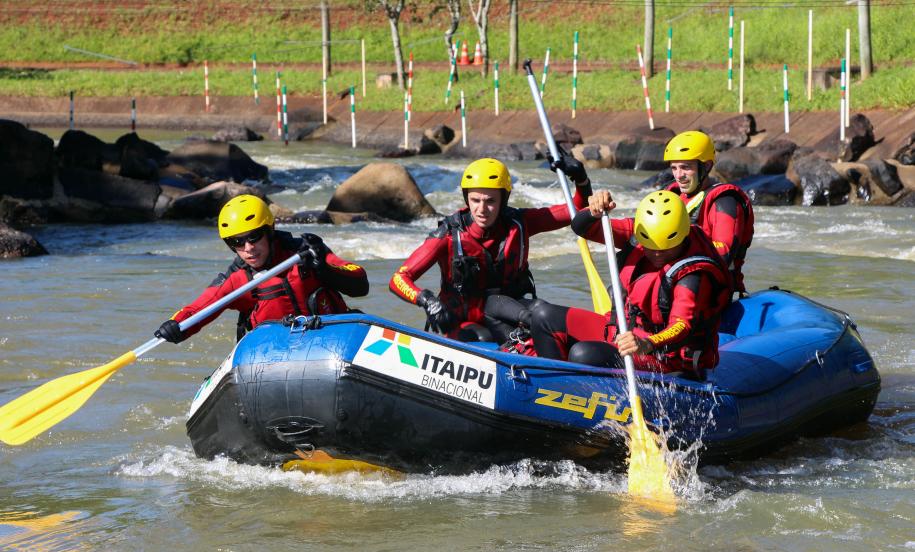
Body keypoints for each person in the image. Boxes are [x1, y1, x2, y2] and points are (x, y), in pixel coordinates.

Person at [529, 190, 732, 377]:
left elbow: (681, 325)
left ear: (683, 236)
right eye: (650, 247)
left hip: (664, 357)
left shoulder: (694, 274)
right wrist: (594, 211)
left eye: (666, 248)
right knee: (543, 316)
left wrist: (648, 343)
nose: (657, 254)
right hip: (623, 333)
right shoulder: (638, 232)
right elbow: (582, 227)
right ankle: (556, 389)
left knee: (583, 354)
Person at [389, 156, 592, 343]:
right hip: (464, 324)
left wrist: (581, 179)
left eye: (490, 201)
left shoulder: (520, 223)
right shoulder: (448, 236)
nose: (482, 209)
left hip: (509, 314)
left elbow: (575, 210)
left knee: (544, 315)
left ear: (503, 200)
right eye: (475, 200)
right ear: (466, 198)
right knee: (483, 338)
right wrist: (427, 301)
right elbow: (399, 279)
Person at [155, 194, 369, 344]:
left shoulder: (306, 252)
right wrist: (176, 326)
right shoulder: (237, 279)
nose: (248, 248)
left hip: (334, 338)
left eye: (254, 237)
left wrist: (324, 269)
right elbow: (199, 309)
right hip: (278, 353)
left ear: (270, 231)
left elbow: (360, 283)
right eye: (237, 242)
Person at [662, 130, 754, 295]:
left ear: (706, 166)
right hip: (674, 282)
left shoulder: (725, 202)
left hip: (714, 293)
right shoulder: (671, 196)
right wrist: (599, 218)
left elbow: (723, 253)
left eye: (685, 167)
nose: (678, 175)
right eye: (674, 168)